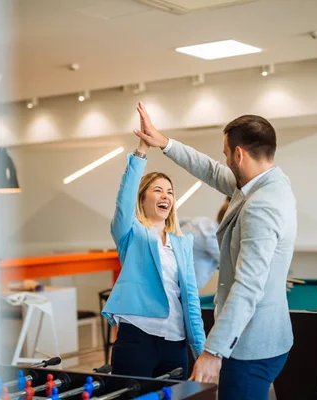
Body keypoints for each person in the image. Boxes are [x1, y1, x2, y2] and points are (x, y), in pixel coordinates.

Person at [133, 102, 297, 400]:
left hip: (248, 346)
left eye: (226, 153)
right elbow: (209, 170)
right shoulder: (270, 183)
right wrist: (164, 142)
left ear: (239, 154)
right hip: (269, 339)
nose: (224, 160)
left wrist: (213, 351)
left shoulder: (261, 205)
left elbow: (248, 287)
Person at [101, 136, 205, 379]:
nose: (165, 196)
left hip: (176, 342)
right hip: (138, 337)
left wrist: (200, 351)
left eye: (169, 192)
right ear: (142, 199)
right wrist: (141, 152)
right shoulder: (131, 233)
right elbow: (124, 201)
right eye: (157, 190)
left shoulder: (182, 242)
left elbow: (190, 298)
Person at [179, 197, 231, 290]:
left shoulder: (202, 221)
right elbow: (228, 263)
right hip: (187, 282)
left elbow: (178, 221)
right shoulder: (213, 239)